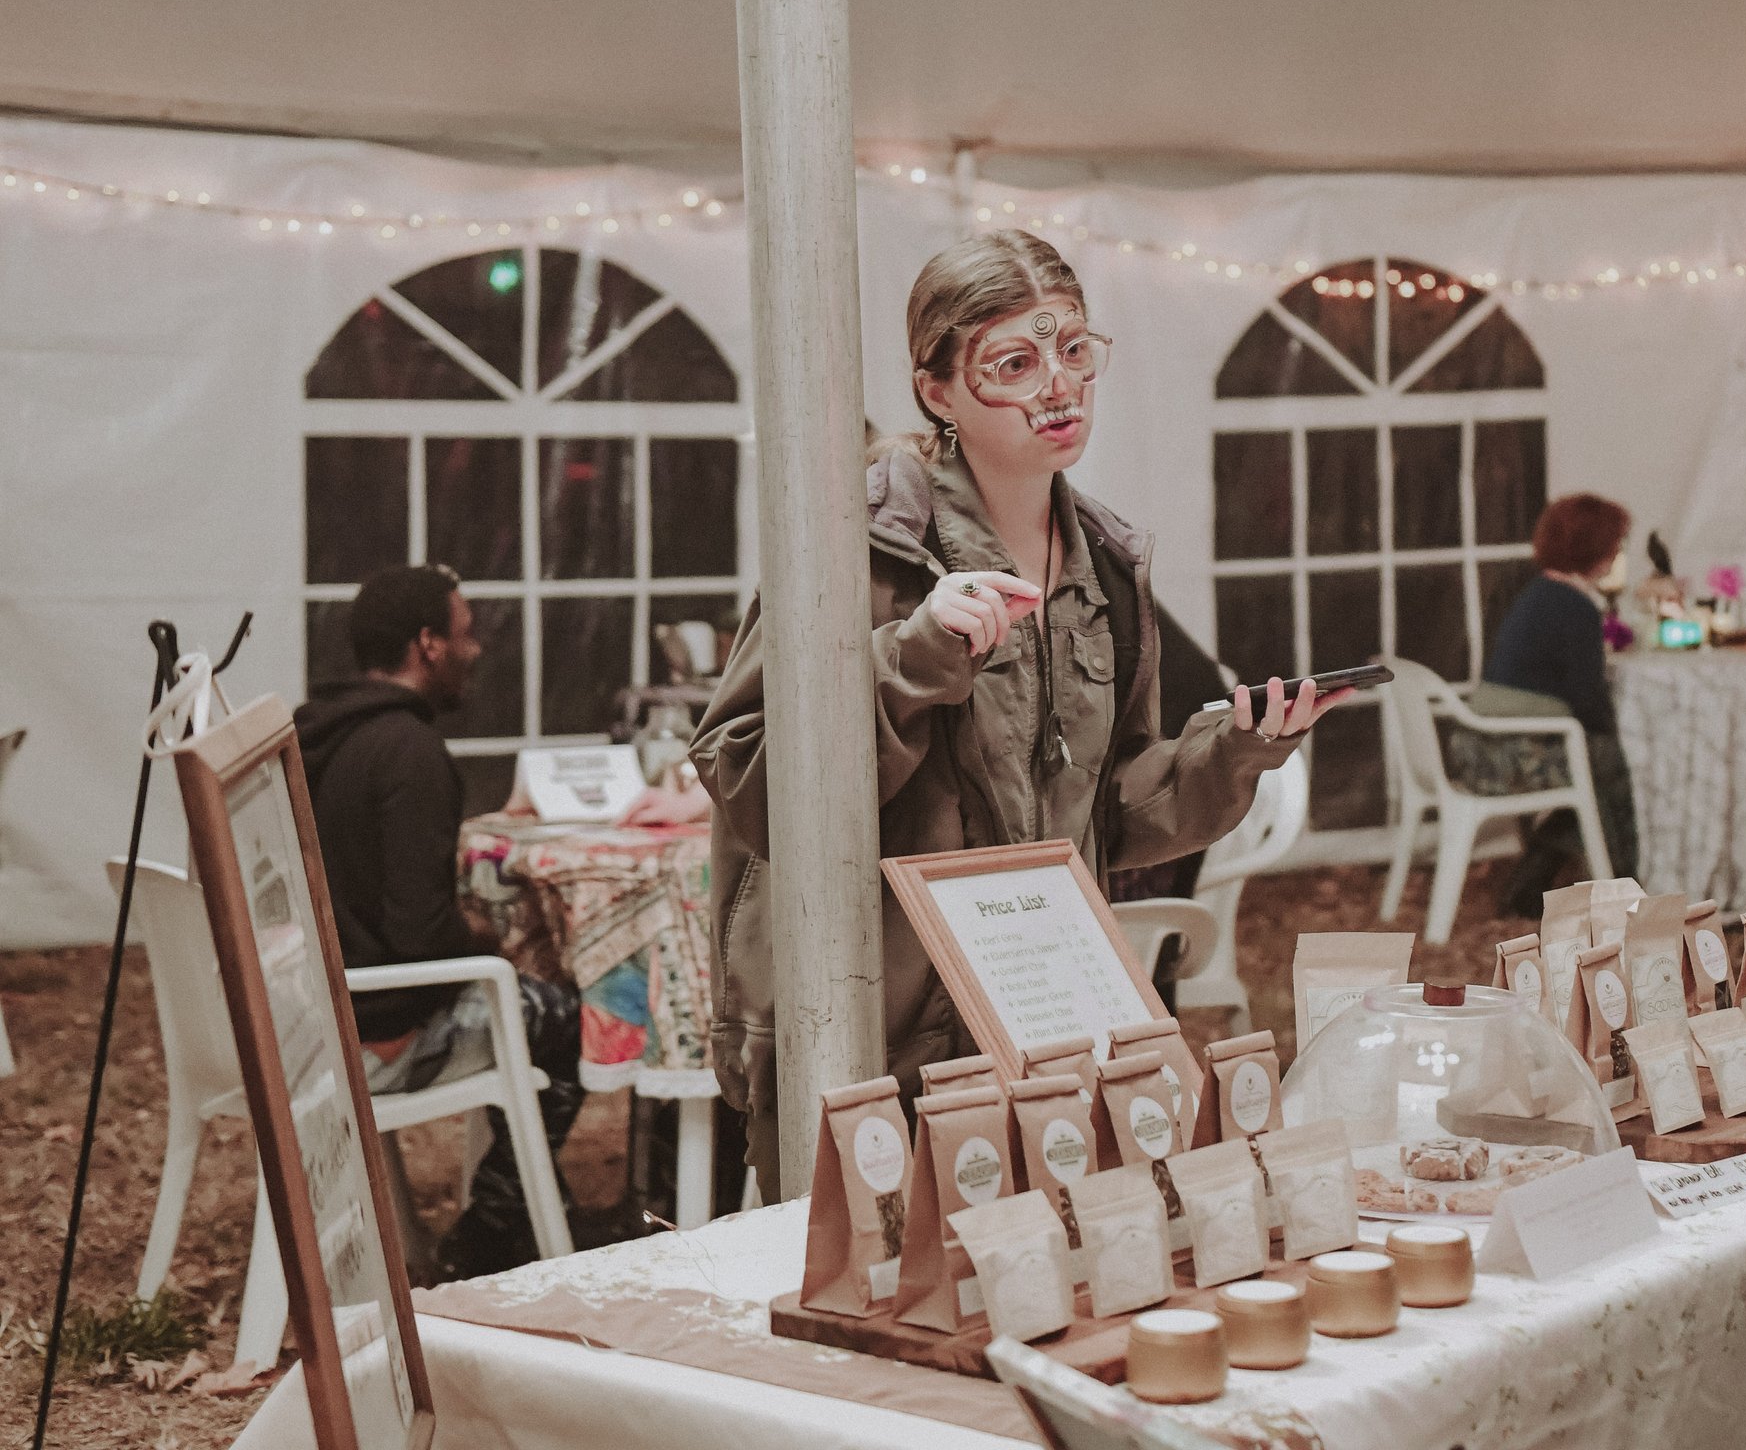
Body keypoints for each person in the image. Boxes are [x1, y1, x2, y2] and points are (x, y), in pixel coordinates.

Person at [692, 230, 1345, 1198]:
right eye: (1015, 361)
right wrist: (912, 659)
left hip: (1037, 1015)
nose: (1058, 386)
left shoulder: (1110, 567)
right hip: (872, 1032)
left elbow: (1107, 813)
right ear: (936, 389)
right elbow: (751, 777)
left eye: (1076, 350)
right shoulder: (856, 543)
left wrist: (1234, 751)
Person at [295, 564, 583, 1278]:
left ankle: (531, 1204)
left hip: (317, 1015)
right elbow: (423, 933)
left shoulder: (316, 738)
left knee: (526, 1000)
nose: (476, 650)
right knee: (572, 1019)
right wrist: (489, 937)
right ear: (427, 645)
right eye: (466, 634)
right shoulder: (408, 752)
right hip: (384, 1032)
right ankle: (489, 1236)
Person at [1471, 493, 1641, 916]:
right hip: (1514, 755)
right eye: (1614, 545)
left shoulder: (1541, 594)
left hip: (1485, 746)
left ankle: (1533, 880)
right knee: (1615, 767)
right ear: (1595, 550)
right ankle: (1625, 887)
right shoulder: (1574, 607)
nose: (1618, 552)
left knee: (1597, 771)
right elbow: (1588, 699)